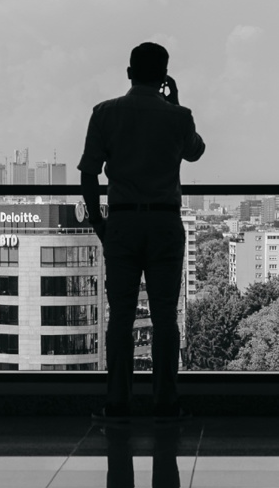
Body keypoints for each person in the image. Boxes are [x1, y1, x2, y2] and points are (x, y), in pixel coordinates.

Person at [79, 42, 205, 421]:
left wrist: (100, 224)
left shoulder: (104, 113)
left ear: (129, 72)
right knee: (165, 315)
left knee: (120, 316)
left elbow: (89, 172)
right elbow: (195, 152)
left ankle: (117, 402)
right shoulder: (178, 116)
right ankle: (166, 401)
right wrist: (177, 103)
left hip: (122, 220)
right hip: (164, 222)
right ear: (164, 76)